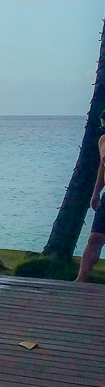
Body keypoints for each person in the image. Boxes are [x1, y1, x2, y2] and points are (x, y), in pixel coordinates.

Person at [77, 112, 105, 282]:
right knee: (95, 238)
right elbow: (103, 168)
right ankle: (81, 279)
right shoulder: (102, 140)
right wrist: (95, 193)